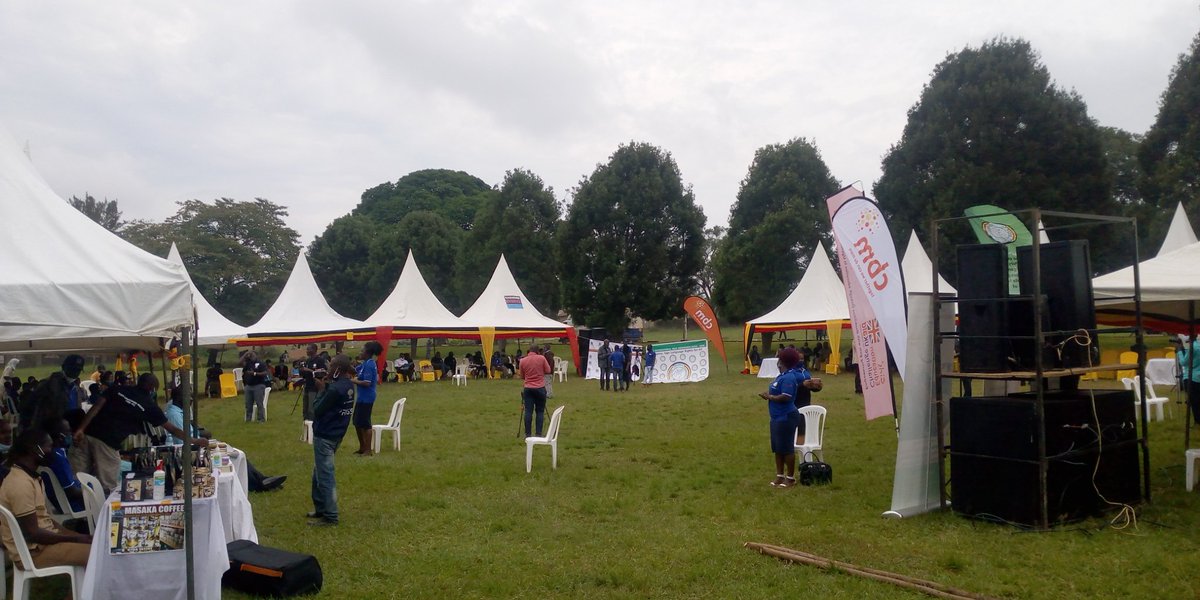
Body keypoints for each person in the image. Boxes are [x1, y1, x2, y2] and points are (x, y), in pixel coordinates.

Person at [70, 373, 200, 494]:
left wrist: (80, 429)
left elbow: (95, 407)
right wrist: (196, 441)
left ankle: (84, 511)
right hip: (107, 442)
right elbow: (173, 429)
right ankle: (101, 515)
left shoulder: (117, 389)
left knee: (80, 479)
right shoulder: (149, 406)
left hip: (87, 433)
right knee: (108, 486)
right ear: (152, 389)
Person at [0, 429, 93, 569]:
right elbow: (33, 534)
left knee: (97, 546)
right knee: (100, 555)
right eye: (49, 446)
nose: (52, 451)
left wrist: (77, 536)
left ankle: (85, 590)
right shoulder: (20, 483)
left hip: (43, 545)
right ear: (34, 449)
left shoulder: (32, 477)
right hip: (33, 553)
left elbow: (45, 520)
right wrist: (75, 538)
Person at [308, 354, 356, 526]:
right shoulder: (348, 385)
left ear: (337, 369)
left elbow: (317, 409)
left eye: (331, 366)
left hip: (325, 435)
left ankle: (331, 515)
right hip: (337, 434)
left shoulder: (334, 389)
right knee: (318, 472)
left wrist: (321, 390)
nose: (328, 369)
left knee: (325, 476)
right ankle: (320, 507)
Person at [758, 348, 804, 488]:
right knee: (778, 448)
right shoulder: (781, 376)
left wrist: (769, 396)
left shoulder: (789, 377)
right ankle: (779, 476)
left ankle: (790, 478)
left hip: (787, 416)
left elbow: (786, 396)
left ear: (782, 360)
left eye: (779, 357)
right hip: (777, 417)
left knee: (787, 448)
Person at [20, 354, 85, 431]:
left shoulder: (75, 388)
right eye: (72, 369)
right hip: (49, 428)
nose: (75, 373)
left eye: (78, 370)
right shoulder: (48, 384)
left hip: (69, 429)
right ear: (63, 367)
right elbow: (30, 405)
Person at [39, 418, 85, 517]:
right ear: (61, 437)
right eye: (68, 431)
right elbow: (72, 491)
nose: (71, 434)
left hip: (64, 501)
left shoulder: (55, 453)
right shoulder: (58, 459)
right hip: (73, 505)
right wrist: (92, 491)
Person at [351, 342, 381, 456]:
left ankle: (368, 450)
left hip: (367, 397)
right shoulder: (365, 364)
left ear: (368, 353)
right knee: (357, 422)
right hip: (361, 397)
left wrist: (353, 381)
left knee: (365, 423)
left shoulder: (369, 364)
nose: (360, 352)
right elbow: (356, 371)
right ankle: (362, 447)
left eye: (362, 351)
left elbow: (367, 383)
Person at [518, 346, 552, 437]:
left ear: (529, 351)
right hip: (540, 387)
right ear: (537, 351)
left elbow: (522, 376)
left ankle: (528, 434)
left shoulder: (523, 360)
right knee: (540, 411)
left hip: (528, 388)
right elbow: (548, 370)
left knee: (528, 411)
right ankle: (538, 433)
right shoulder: (541, 358)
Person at [299, 344, 328, 421]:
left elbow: (323, 373)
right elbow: (305, 374)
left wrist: (310, 370)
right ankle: (305, 425)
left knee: (311, 409)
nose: (307, 351)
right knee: (305, 408)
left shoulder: (320, 360)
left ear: (314, 350)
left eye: (308, 349)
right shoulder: (308, 360)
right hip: (307, 386)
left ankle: (312, 426)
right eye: (307, 349)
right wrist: (302, 371)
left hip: (315, 387)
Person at [1176, 336, 1200, 425]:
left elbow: (1183, 362)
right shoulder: (1198, 345)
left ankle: (1197, 421)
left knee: (1194, 401)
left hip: (1191, 377)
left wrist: (1179, 351)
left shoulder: (1192, 347)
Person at [241, 352, 270, 423]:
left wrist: (255, 373)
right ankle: (248, 418)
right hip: (248, 385)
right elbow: (240, 362)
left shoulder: (261, 363)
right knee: (248, 403)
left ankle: (261, 419)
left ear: (256, 355)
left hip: (258, 385)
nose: (251, 356)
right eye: (250, 355)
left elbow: (265, 373)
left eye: (253, 355)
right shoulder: (248, 363)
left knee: (259, 403)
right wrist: (245, 354)